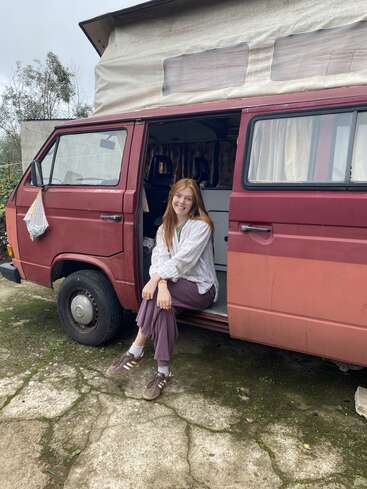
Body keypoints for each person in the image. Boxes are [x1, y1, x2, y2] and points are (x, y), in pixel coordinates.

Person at [106, 178, 218, 400]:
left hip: (200, 288)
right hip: (173, 285)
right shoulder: (163, 227)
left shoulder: (202, 225)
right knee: (163, 308)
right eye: (178, 196)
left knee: (155, 293)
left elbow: (183, 261)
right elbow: (159, 258)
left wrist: (155, 280)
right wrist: (163, 284)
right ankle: (163, 372)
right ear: (172, 197)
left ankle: (136, 350)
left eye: (188, 198)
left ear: (195, 202)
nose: (182, 202)